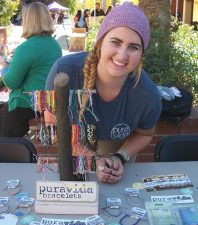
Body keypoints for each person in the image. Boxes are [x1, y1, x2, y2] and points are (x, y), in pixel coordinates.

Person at [45, 2, 162, 183]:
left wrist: (120, 157)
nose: (122, 55)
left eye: (133, 47)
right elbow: (53, 126)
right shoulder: (63, 71)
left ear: (141, 55)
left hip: (116, 154)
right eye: (115, 42)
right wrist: (93, 159)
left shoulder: (147, 95)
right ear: (100, 43)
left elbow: (144, 134)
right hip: (72, 148)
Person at [0, 2, 62, 137]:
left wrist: (4, 67)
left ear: (29, 21)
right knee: (0, 124)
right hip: (47, 103)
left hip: (27, 105)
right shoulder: (55, 45)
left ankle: (7, 156)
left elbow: (11, 82)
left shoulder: (27, 47)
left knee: (3, 143)